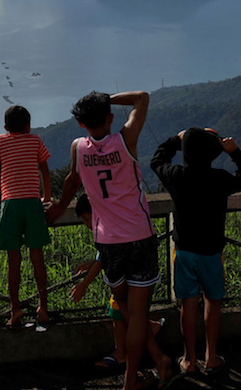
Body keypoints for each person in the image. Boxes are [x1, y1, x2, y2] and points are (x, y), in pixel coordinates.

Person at [47, 90, 172, 390]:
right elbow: (142, 97)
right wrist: (106, 99)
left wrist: (60, 207)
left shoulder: (78, 148)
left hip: (107, 242)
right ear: (110, 118)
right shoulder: (124, 140)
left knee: (124, 307)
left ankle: (155, 363)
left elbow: (71, 181)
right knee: (138, 313)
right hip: (140, 236)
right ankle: (133, 380)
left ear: (80, 124)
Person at [152, 127, 241, 374]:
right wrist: (236, 152)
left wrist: (177, 139)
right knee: (213, 302)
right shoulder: (220, 179)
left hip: (185, 253)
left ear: (185, 152)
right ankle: (210, 356)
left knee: (187, 305)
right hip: (212, 253)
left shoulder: (176, 176)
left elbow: (157, 159)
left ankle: (188, 360)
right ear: (214, 154)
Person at [69, 194, 166, 373]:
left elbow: (103, 258)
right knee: (121, 309)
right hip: (137, 270)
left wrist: (84, 284)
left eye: (85, 219)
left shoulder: (105, 228)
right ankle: (137, 342)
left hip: (131, 274)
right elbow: (103, 257)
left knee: (121, 309)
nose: (86, 224)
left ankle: (133, 351)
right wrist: (91, 265)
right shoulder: (115, 219)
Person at [0, 104, 53, 327]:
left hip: (9, 204)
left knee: (13, 262)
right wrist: (46, 198)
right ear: (28, 125)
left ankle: (15, 310)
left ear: (6, 127)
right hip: (33, 203)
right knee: (38, 259)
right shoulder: (35, 140)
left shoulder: (0, 141)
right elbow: (44, 170)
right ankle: (43, 308)